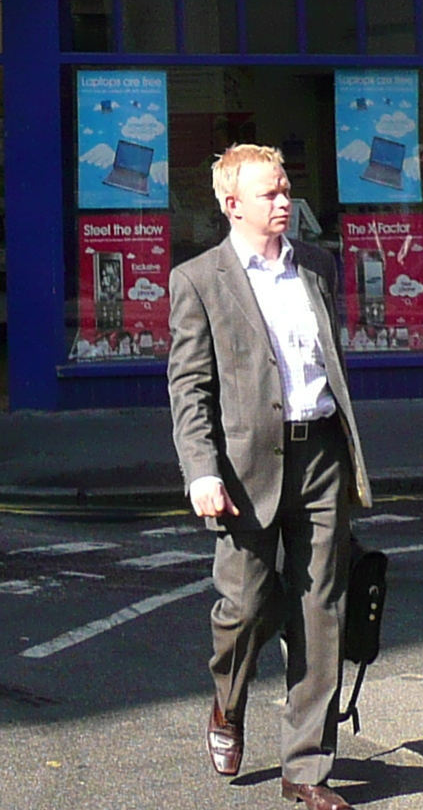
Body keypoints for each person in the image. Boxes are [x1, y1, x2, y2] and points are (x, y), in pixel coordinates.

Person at [169, 143, 370, 810]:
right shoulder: (199, 280)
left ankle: (306, 769)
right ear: (232, 204)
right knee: (247, 606)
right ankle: (227, 704)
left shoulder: (317, 266)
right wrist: (201, 471)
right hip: (245, 464)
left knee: (321, 612)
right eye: (270, 193)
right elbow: (189, 390)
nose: (285, 201)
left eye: (286, 189)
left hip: (320, 458)